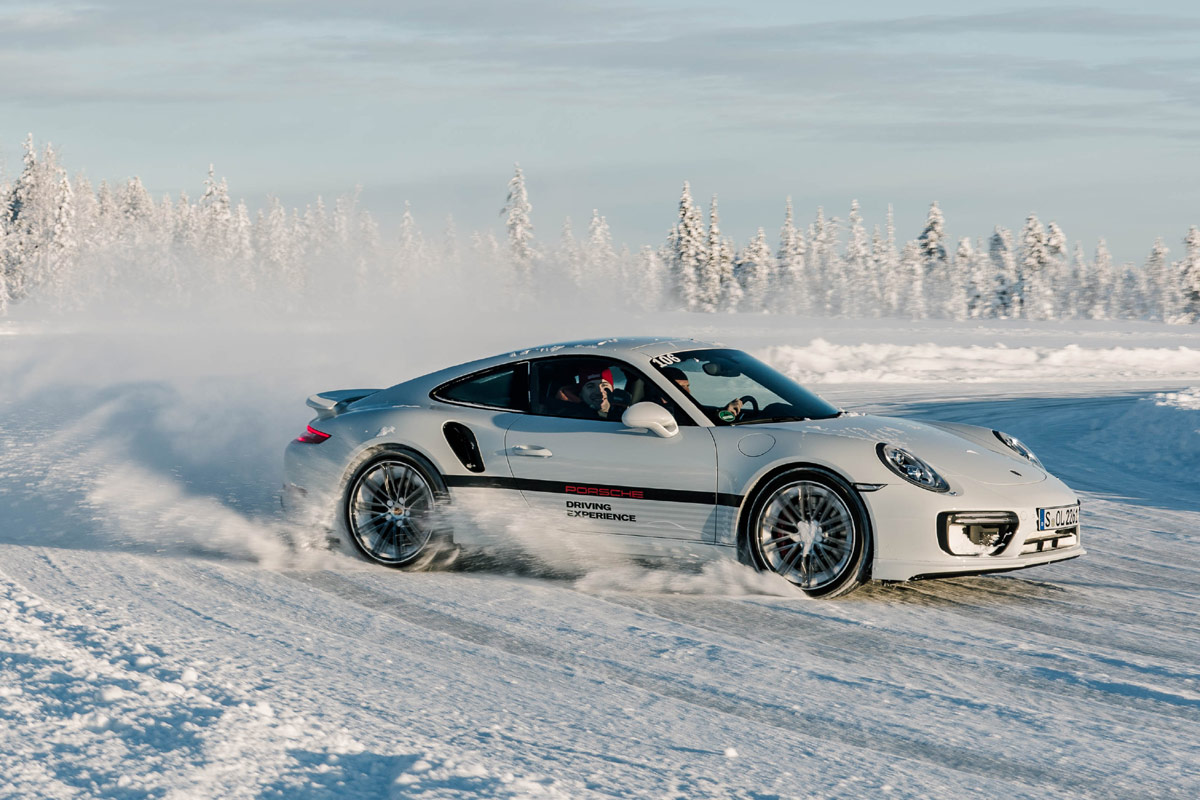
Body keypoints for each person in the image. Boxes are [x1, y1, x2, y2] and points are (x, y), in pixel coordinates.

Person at [550, 367, 628, 420]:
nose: (600, 392)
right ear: (580, 393)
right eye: (590, 386)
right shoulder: (570, 417)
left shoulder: (628, 414)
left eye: (604, 386)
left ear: (612, 390)